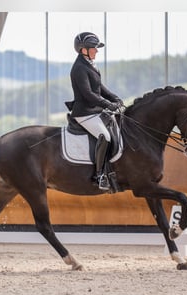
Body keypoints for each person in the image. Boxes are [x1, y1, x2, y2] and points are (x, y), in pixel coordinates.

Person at [69, 31, 124, 191]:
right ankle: (100, 175)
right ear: (83, 49)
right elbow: (88, 94)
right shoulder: (79, 68)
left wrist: (115, 98)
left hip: (95, 110)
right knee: (105, 136)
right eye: (94, 48)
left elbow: (99, 88)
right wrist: (107, 104)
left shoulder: (90, 64)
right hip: (84, 113)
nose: (97, 51)